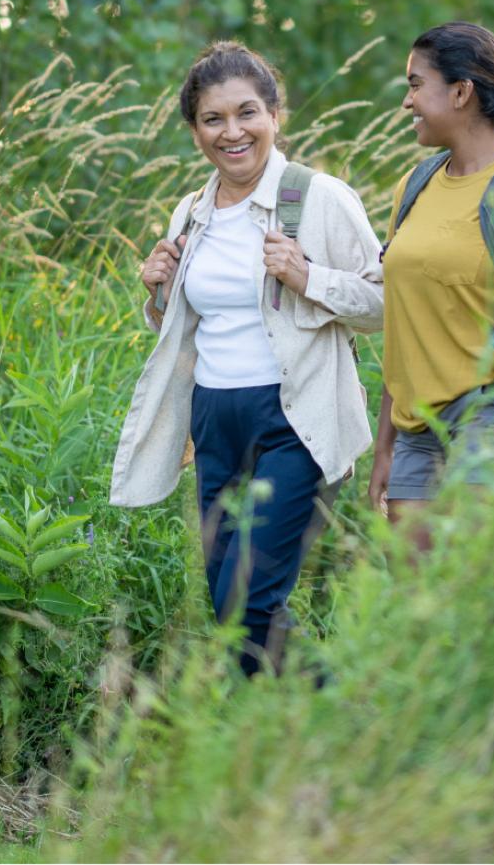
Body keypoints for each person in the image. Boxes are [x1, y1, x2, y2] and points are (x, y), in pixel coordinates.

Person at [111, 41, 384, 676]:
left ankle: (336, 711)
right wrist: (155, 292)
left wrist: (309, 275)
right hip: (214, 419)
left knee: (249, 596)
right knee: (226, 602)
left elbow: (385, 304)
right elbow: (183, 323)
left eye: (247, 113)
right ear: (195, 129)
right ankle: (291, 736)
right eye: (213, 120)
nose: (232, 133)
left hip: (294, 420)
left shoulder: (318, 198)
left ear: (274, 115)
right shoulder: (191, 212)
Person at [369, 21, 494, 546]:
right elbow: (404, 321)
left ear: (460, 92)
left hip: (492, 418)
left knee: (474, 595)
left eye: (416, 85)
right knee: (417, 602)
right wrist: (385, 445)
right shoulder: (413, 186)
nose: (407, 102)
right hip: (418, 427)